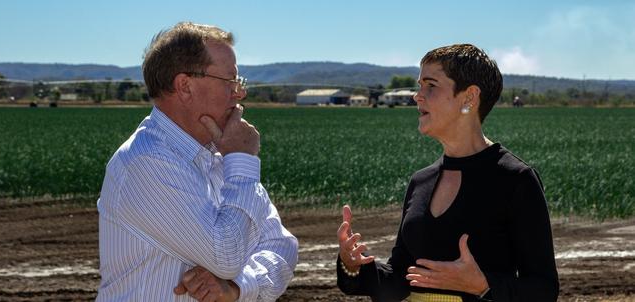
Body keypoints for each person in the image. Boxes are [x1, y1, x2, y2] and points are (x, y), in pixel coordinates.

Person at [336, 44, 559, 301]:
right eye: (420, 85)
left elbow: (544, 289)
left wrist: (483, 286)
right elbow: (400, 279)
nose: (417, 96)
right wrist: (353, 265)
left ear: (469, 97)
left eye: (431, 85)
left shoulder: (516, 180)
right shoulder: (421, 181)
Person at [97, 22, 298, 301]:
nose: (239, 94)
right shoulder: (145, 162)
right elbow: (225, 255)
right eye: (230, 82)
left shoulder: (218, 155)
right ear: (185, 86)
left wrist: (238, 287)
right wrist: (241, 160)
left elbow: (283, 246)